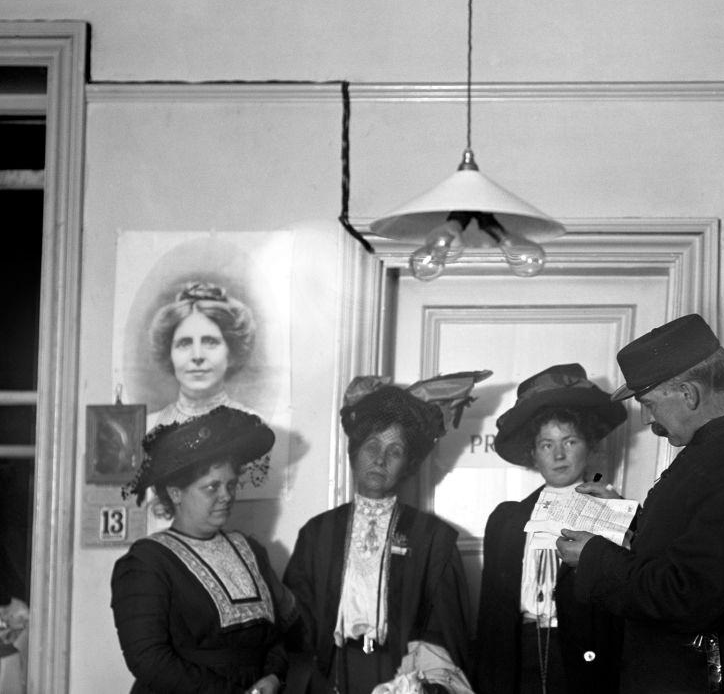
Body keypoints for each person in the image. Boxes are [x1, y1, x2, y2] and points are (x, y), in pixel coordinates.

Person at [555, 314, 724, 693]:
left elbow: (688, 595)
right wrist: (627, 519)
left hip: (709, 676)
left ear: (689, 393)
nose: (649, 420)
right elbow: (699, 544)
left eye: (649, 404)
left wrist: (593, 558)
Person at [283, 372, 489, 694]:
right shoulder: (318, 534)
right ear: (354, 453)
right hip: (334, 673)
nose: (380, 459)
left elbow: (445, 633)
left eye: (394, 451)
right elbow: (298, 627)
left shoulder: (434, 539)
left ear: (408, 463)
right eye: (372, 446)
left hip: (404, 677)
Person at [110, 406, 298, 693]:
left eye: (230, 485)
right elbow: (148, 659)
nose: (226, 496)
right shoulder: (147, 562)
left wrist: (273, 678)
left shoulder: (249, 550)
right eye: (212, 487)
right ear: (176, 493)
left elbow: (277, 636)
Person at [476, 363, 626, 694]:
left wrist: (618, 520)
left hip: (584, 661)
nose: (558, 454)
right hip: (520, 654)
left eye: (569, 441)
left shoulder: (611, 509)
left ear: (589, 445)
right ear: (533, 453)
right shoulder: (506, 520)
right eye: (547, 444)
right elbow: (491, 617)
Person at [146, 281, 258, 429]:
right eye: (184, 343)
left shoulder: (253, 427)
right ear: (169, 354)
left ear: (231, 353)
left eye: (210, 342)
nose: (197, 356)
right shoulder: (147, 427)